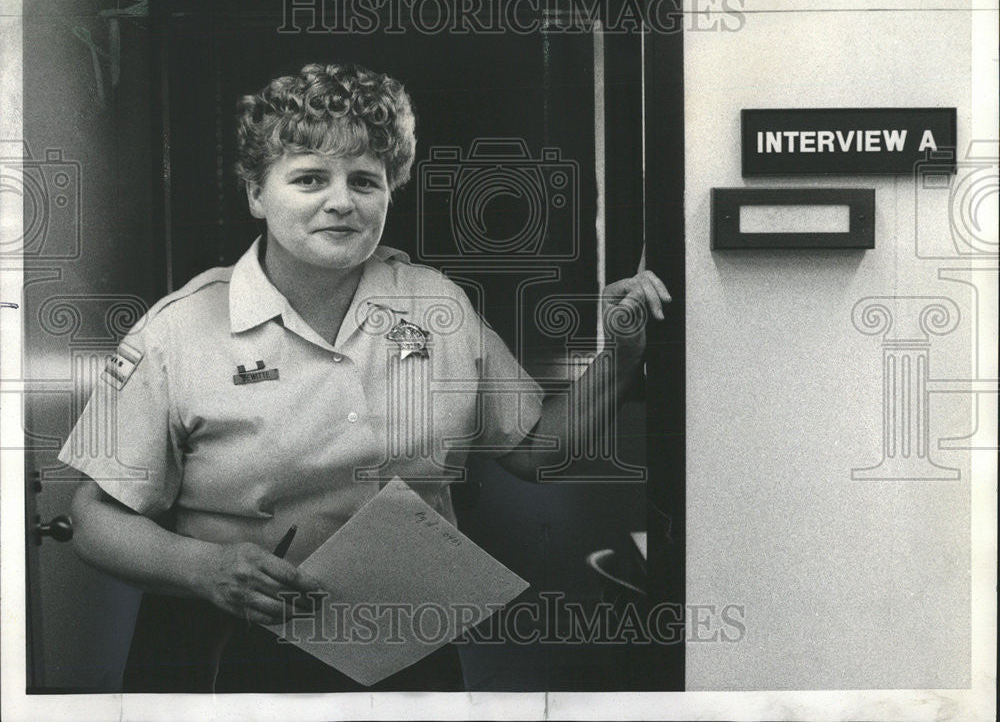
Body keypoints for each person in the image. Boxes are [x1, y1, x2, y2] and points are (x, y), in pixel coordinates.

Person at [60, 62, 671, 693]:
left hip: (403, 649)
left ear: (389, 191)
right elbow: (93, 517)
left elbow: (537, 450)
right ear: (255, 193)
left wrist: (622, 355)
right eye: (308, 178)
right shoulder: (177, 330)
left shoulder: (437, 307)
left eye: (365, 181)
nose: (341, 202)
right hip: (223, 645)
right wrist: (204, 568)